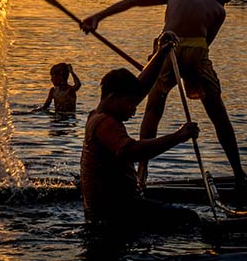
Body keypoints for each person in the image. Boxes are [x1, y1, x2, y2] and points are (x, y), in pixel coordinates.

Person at [80, 0, 247, 188]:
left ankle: (142, 174)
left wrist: (97, 17)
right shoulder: (219, 10)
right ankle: (239, 173)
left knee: (153, 110)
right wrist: (188, 74)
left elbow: (134, 1)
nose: (225, 3)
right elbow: (204, 44)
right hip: (194, 50)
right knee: (218, 114)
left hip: (165, 47)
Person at [81, 32, 200, 229]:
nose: (134, 109)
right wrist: (178, 136)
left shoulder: (100, 113)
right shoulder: (105, 123)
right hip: (116, 212)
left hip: (113, 208)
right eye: (130, 103)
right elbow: (132, 151)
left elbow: (142, 85)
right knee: (190, 219)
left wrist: (162, 52)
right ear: (112, 97)